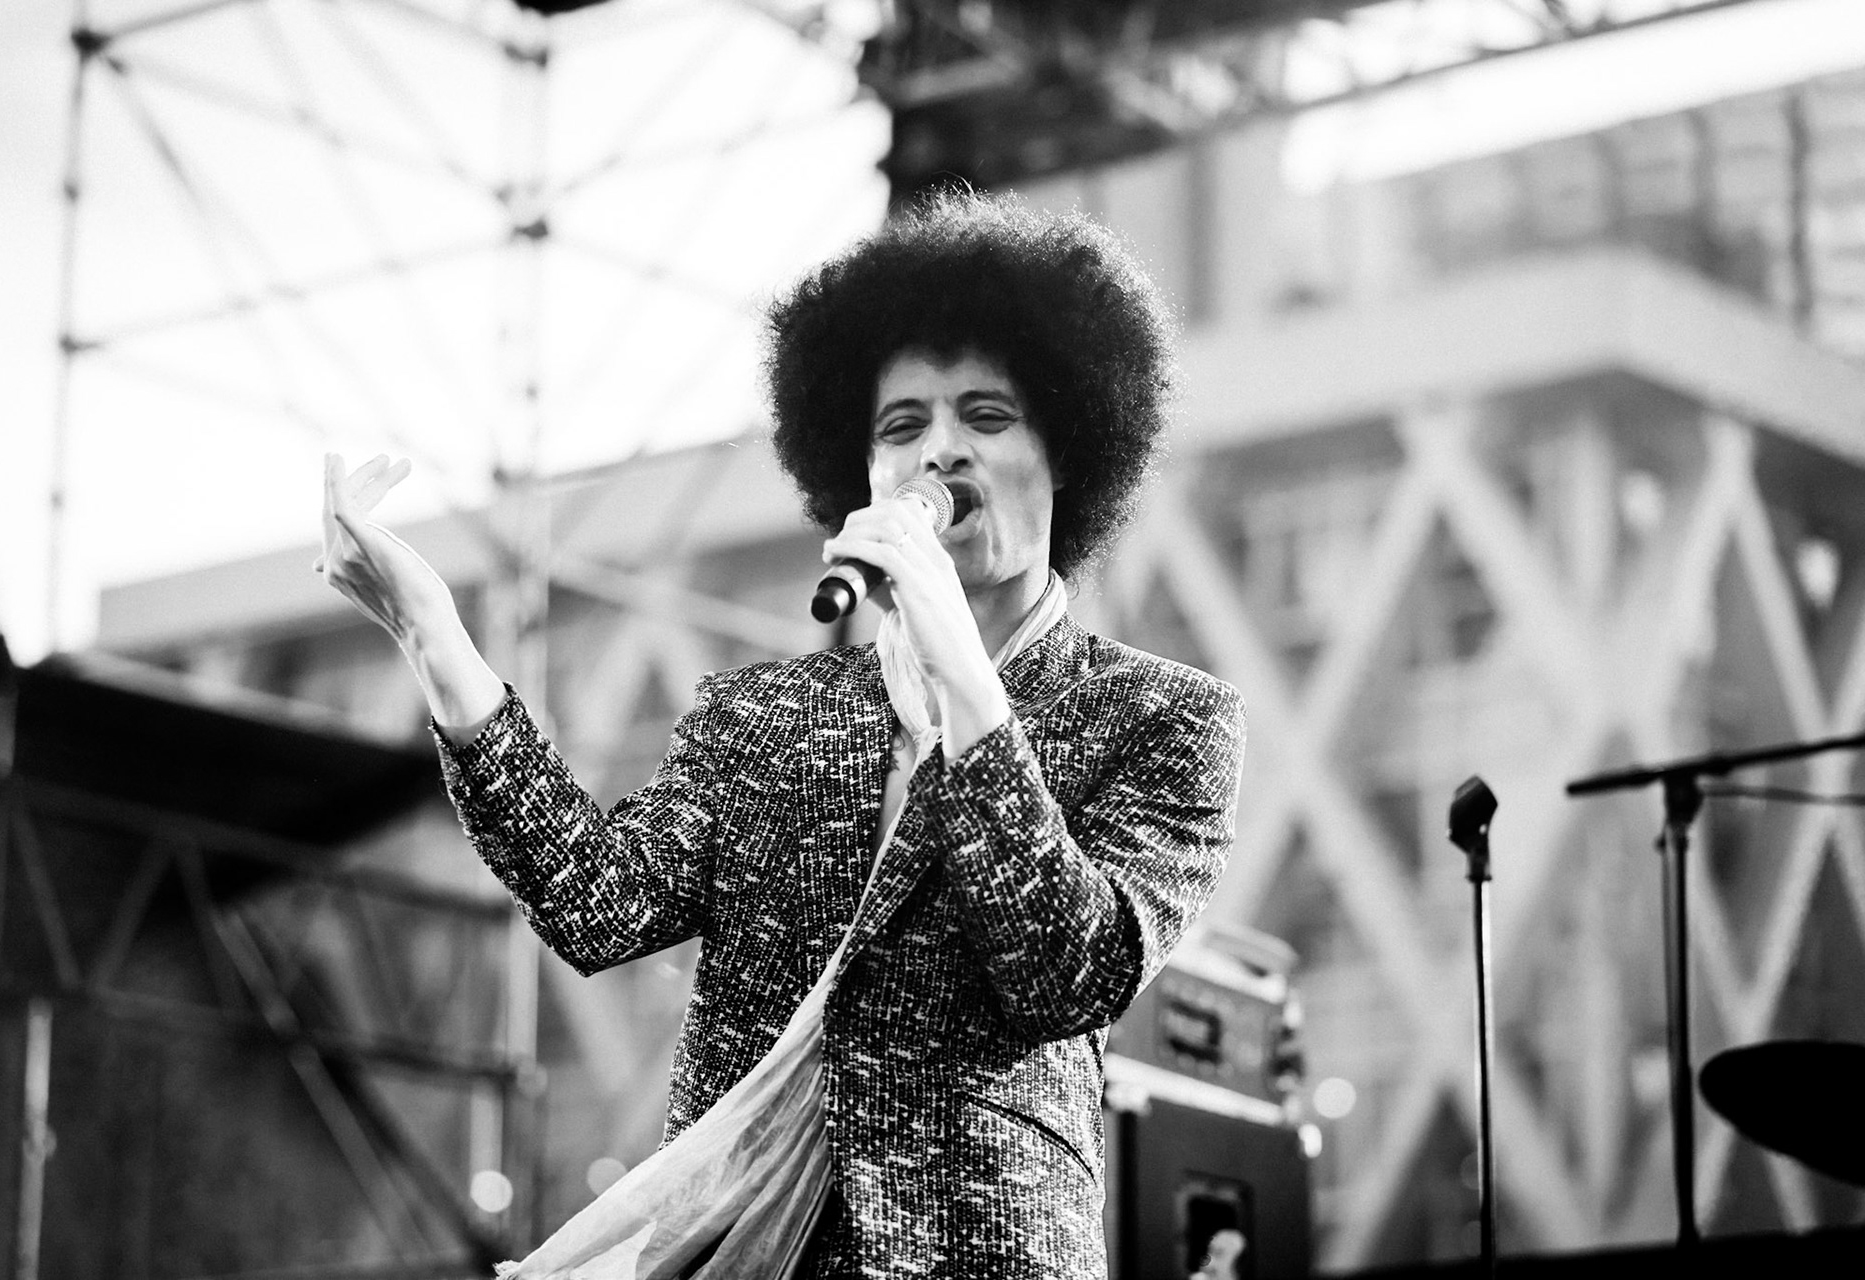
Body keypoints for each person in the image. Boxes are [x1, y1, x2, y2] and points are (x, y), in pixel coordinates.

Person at [317, 190, 1244, 1279]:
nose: (938, 451)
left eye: (985, 415)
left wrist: (960, 674)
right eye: (902, 426)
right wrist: (434, 637)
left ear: (1072, 446)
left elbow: (1065, 971)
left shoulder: (1166, 717)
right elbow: (593, 900)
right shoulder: (763, 715)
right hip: (744, 1249)